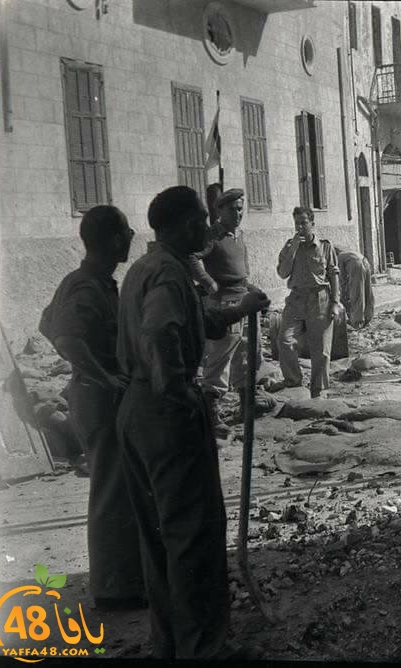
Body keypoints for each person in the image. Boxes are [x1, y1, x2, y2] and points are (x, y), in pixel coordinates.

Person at [116, 185, 269, 659]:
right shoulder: (167, 273)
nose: (208, 227)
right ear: (185, 225)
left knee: (160, 537)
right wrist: (179, 389)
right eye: (202, 219)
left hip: (136, 409)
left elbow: (195, 320)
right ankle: (204, 649)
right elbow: (163, 329)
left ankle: (171, 644)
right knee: (193, 536)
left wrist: (241, 308)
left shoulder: (144, 268)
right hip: (166, 414)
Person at [39, 205, 145, 610]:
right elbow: (65, 337)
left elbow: (47, 324)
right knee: (111, 490)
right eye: (125, 231)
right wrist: (104, 376)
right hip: (99, 398)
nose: (131, 236)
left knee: (116, 489)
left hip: (93, 393)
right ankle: (114, 590)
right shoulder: (87, 286)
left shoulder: (90, 281)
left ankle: (121, 583)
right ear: (113, 239)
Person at [188, 187, 261, 436]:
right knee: (221, 359)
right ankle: (212, 413)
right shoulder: (212, 236)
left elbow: (242, 272)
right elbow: (192, 257)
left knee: (247, 355)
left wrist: (253, 290)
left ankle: (246, 405)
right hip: (224, 304)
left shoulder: (238, 236)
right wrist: (209, 283)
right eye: (232, 209)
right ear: (219, 211)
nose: (238, 213)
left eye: (241, 208)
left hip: (244, 299)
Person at [276, 206, 343, 397]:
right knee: (284, 340)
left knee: (321, 350)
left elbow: (333, 275)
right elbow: (282, 273)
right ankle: (294, 383)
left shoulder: (325, 247)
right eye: (296, 223)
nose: (300, 227)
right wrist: (293, 249)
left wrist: (335, 302)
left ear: (312, 224)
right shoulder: (290, 246)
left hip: (320, 298)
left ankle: (318, 390)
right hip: (296, 299)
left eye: (303, 223)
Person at [335, 246, 375, 328]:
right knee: (367, 292)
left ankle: (357, 322)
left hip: (356, 265)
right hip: (365, 262)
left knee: (357, 293)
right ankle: (368, 317)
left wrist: (343, 294)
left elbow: (342, 279)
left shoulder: (338, 258)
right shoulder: (348, 252)